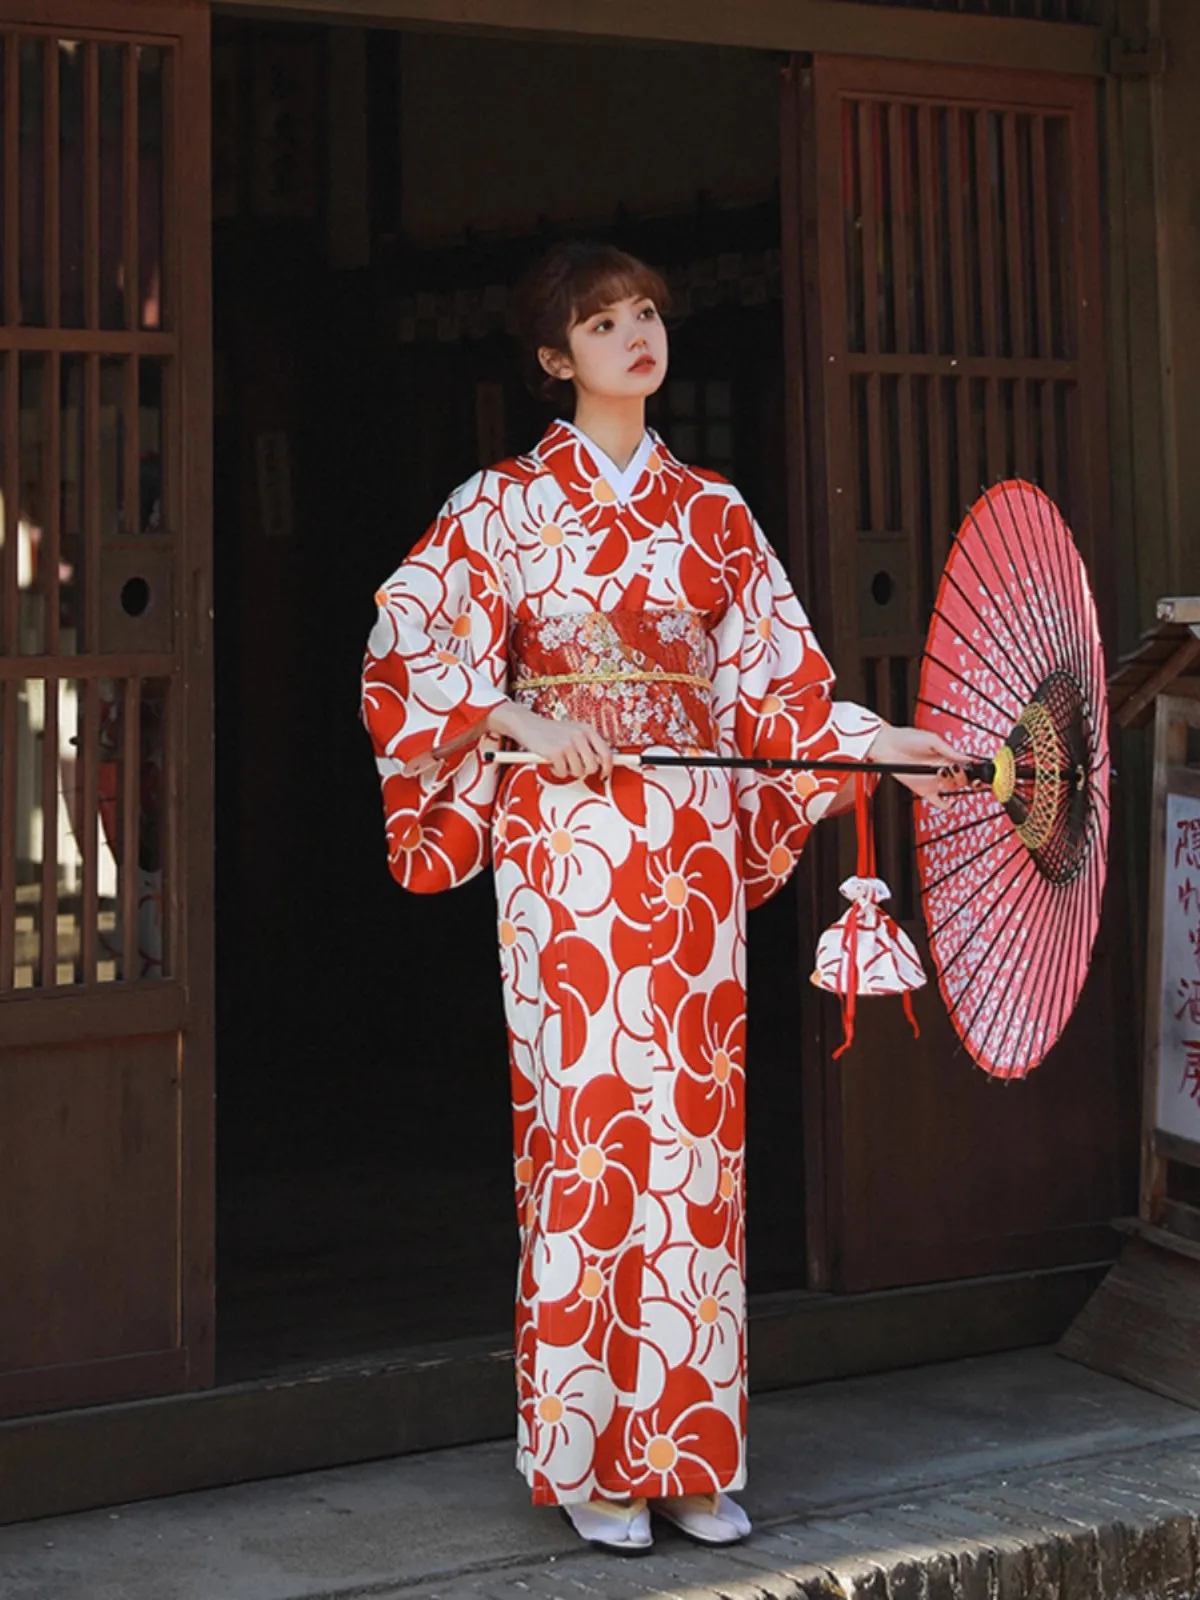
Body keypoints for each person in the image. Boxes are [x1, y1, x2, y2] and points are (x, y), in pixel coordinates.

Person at [361, 241, 960, 1554]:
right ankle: (588, 1459)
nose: (638, 336)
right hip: (566, 855)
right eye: (602, 321)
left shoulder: (716, 515)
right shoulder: (501, 506)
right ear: (550, 357)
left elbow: (779, 693)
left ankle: (689, 1452)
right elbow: (405, 646)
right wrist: (519, 711)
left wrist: (879, 743)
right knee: (584, 1146)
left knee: (696, 1151)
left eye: (647, 315)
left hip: (685, 855)